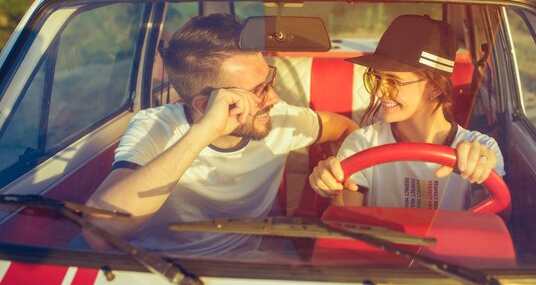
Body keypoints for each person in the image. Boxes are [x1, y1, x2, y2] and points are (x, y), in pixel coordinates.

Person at [86, 14, 358, 256]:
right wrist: (205, 132)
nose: (274, 98)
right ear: (205, 106)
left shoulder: (279, 118)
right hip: (153, 265)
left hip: (244, 264)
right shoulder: (155, 125)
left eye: (270, 80)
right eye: (258, 91)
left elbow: (346, 129)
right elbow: (97, 232)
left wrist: (339, 175)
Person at [309, 14, 505, 210]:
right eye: (376, 78)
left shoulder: (482, 150)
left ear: (435, 87)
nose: (379, 91)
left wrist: (481, 167)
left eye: (393, 82)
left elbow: (490, 227)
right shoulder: (361, 145)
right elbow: (344, 225)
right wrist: (330, 188)